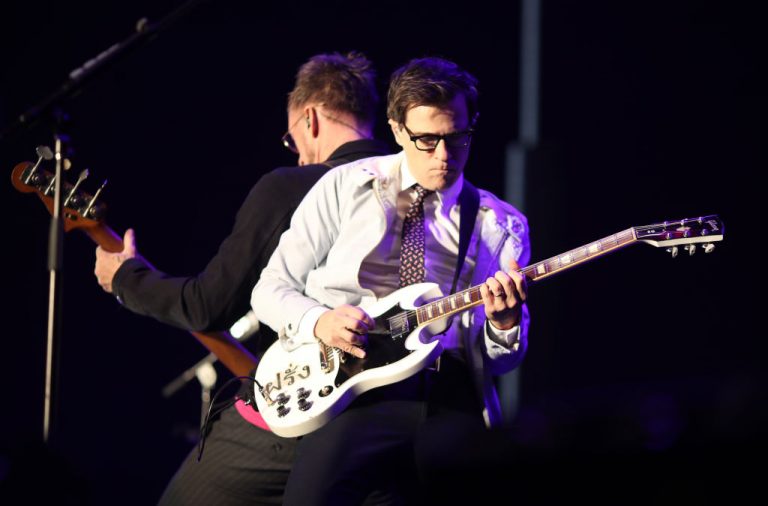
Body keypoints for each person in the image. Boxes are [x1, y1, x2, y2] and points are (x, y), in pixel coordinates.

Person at [93, 52, 390, 505]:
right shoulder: (414, 189)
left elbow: (207, 306)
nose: (298, 154)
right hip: (395, 422)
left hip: (305, 410)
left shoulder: (292, 186)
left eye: (292, 140)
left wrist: (125, 279)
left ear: (310, 119)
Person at [250, 56, 531, 505]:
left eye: (457, 137)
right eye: (426, 140)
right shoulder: (344, 187)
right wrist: (318, 321)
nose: (443, 155)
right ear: (397, 130)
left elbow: (500, 361)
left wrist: (504, 323)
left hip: (447, 394)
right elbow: (270, 289)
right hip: (356, 388)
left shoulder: (501, 224)